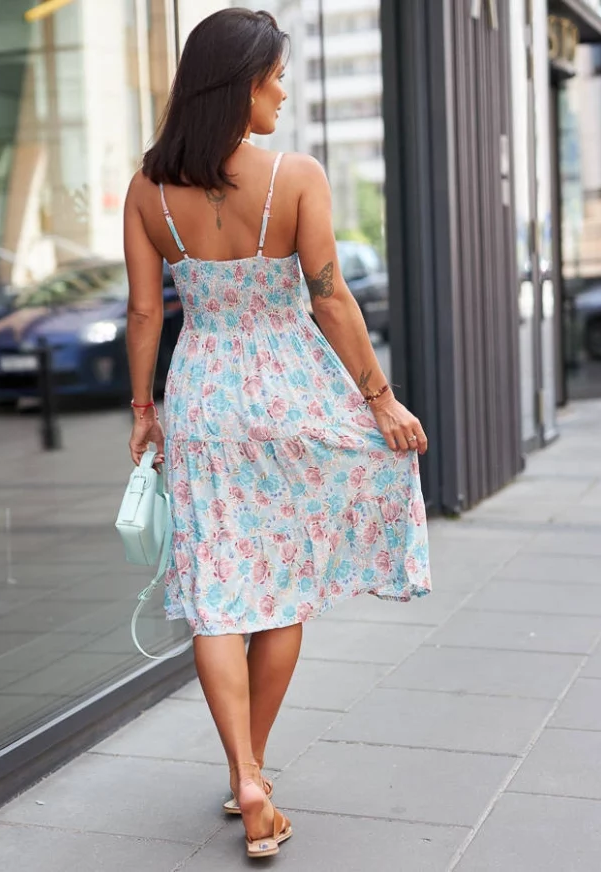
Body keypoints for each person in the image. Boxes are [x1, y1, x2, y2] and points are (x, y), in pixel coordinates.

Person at [124, 8, 431, 860]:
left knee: (219, 591)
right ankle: (251, 774)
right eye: (273, 80)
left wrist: (144, 412)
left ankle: (246, 772)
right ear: (240, 86)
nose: (282, 95)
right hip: (289, 393)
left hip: (202, 398)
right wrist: (379, 400)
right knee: (280, 589)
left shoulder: (147, 188)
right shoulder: (294, 176)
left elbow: (145, 313)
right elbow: (328, 297)